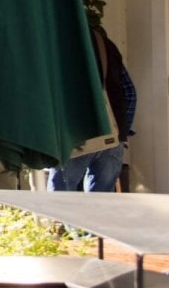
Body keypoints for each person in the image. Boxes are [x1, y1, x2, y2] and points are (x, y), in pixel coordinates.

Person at [49, 22, 134, 192]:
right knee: (100, 207)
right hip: (112, 136)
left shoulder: (56, 46)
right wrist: (122, 131)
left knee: (58, 202)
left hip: (73, 138)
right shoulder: (105, 44)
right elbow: (130, 92)